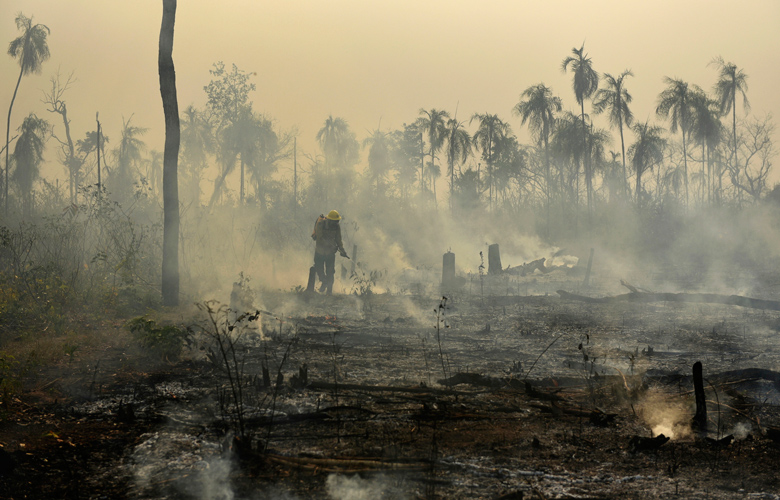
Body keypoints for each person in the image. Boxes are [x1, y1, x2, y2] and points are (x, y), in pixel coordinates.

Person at [311, 210, 349, 294]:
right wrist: (331, 245)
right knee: (319, 269)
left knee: (330, 272)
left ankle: (329, 292)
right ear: (330, 220)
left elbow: (338, 239)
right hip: (320, 251)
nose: (337, 223)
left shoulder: (336, 226)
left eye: (338, 221)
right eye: (335, 221)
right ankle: (324, 281)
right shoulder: (321, 224)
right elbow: (320, 238)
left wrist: (342, 250)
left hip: (330, 253)